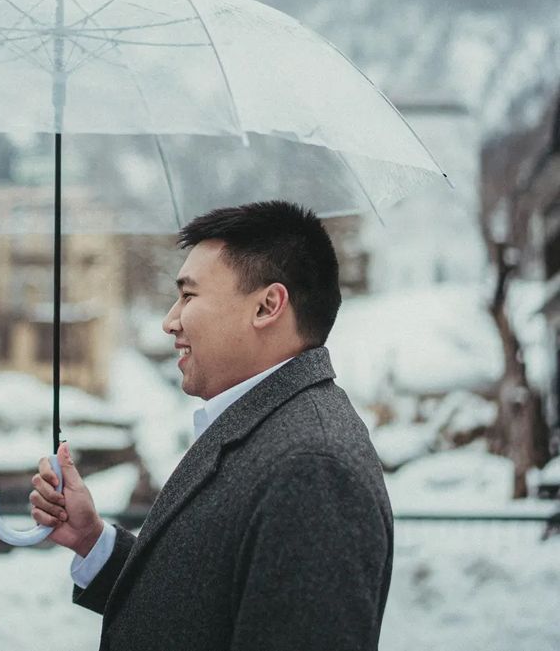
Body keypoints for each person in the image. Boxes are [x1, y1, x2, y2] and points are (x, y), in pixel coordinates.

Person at [30, 200, 393, 651]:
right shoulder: (268, 426)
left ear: (267, 306)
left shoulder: (312, 469)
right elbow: (202, 604)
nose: (170, 320)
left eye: (188, 295)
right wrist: (92, 540)